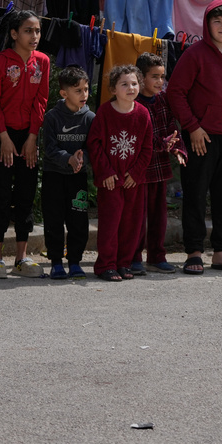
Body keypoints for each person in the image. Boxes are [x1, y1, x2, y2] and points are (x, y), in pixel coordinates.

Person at [166, 0, 222, 275]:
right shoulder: (195, 54)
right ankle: (194, 251)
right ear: (208, 25)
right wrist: (192, 127)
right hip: (201, 136)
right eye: (217, 21)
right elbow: (176, 92)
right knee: (195, 193)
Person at [0, 11, 50, 278]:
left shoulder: (43, 62)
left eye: (37, 31)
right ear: (13, 34)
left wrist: (33, 137)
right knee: (1, 193)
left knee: (25, 194)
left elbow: (41, 101)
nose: (34, 36)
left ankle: (21, 258)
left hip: (29, 137)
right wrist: (3, 137)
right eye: (28, 31)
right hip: (2, 136)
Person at [87, 64, 153, 281]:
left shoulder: (143, 114)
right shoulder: (105, 112)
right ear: (114, 89)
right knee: (110, 223)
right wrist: (105, 172)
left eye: (134, 83)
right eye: (124, 84)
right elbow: (95, 144)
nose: (131, 87)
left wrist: (136, 173)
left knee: (131, 224)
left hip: (133, 180)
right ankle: (106, 264)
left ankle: (124, 263)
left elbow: (146, 147)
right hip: (111, 180)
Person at [131, 52, 186, 276]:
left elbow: (171, 127)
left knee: (158, 216)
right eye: (155, 77)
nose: (160, 82)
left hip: (159, 167)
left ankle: (157, 257)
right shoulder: (133, 103)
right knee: (137, 217)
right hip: (138, 169)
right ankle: (134, 258)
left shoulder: (163, 100)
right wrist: (163, 143)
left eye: (162, 77)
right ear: (141, 77)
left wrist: (178, 148)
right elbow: (139, 138)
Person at [41, 65, 95, 280]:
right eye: (78, 90)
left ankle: (75, 262)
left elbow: (94, 148)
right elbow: (50, 149)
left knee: (78, 221)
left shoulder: (90, 117)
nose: (84, 94)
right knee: (53, 220)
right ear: (64, 94)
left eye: (86, 89)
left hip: (78, 179)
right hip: (53, 176)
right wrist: (68, 159)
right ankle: (56, 263)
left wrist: (83, 159)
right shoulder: (52, 117)